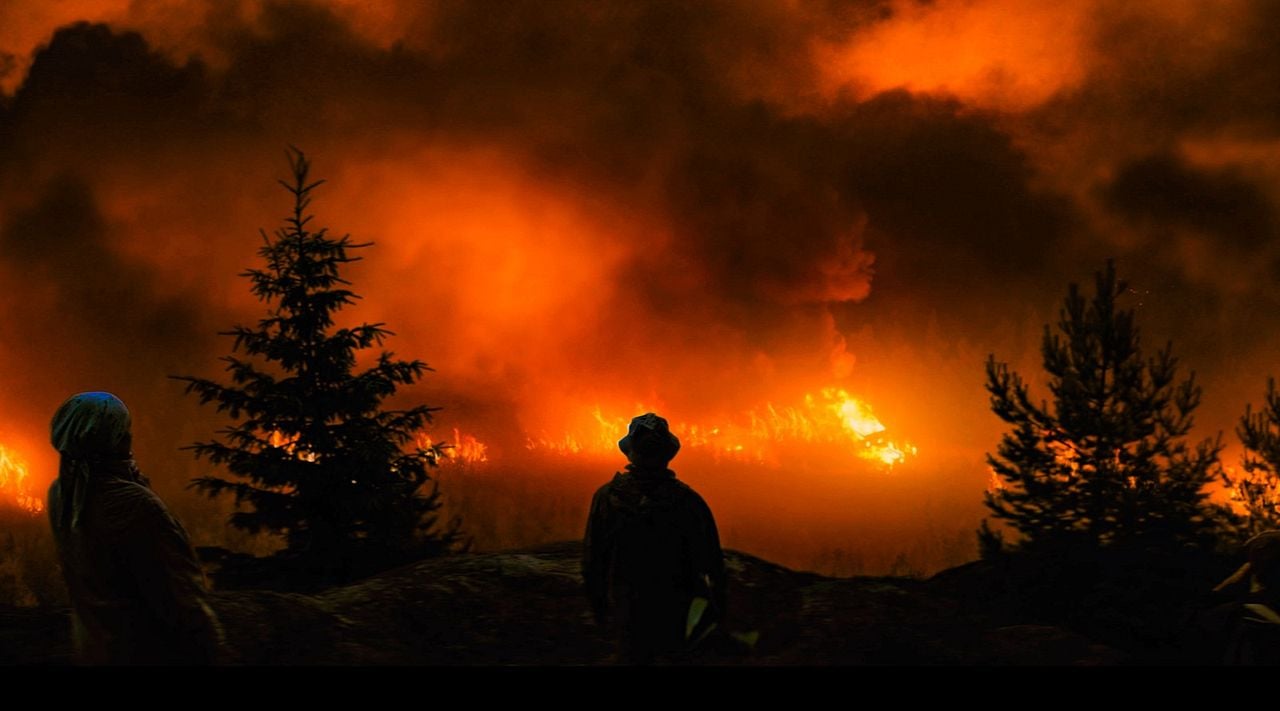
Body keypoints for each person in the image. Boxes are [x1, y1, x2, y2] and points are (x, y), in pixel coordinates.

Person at [47, 391, 223, 664]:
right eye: (124, 430)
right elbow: (182, 603)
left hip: (92, 652)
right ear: (118, 439)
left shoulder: (61, 494)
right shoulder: (135, 505)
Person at [582, 412, 727, 663]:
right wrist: (715, 614)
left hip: (627, 611)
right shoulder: (689, 503)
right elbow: (713, 565)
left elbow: (593, 560)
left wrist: (600, 608)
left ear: (630, 453)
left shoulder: (607, 499)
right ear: (667, 456)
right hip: (675, 612)